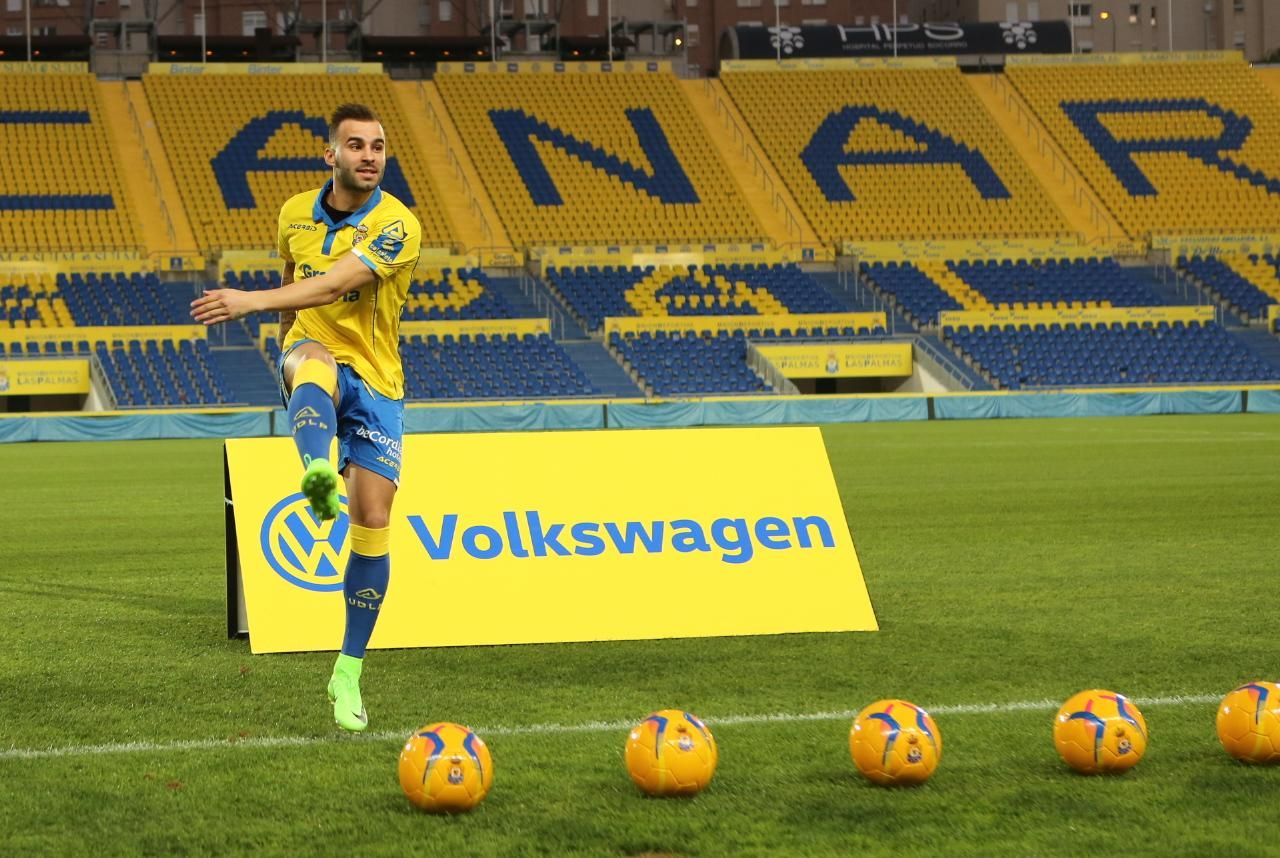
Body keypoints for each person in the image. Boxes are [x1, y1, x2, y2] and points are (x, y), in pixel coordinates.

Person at [191, 103, 422, 733]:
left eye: (378, 146)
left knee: (372, 519)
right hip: (313, 357)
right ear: (332, 156)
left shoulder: (399, 224)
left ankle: (347, 667)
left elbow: (327, 284)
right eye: (356, 145)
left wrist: (249, 300)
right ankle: (318, 470)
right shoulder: (294, 213)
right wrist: (285, 349)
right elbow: (297, 283)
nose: (370, 156)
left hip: (378, 380)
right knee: (312, 359)